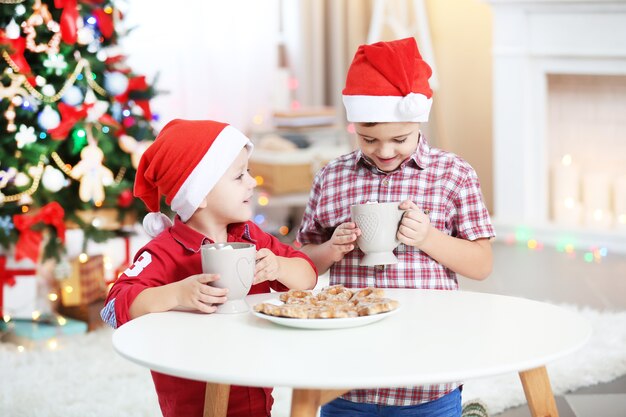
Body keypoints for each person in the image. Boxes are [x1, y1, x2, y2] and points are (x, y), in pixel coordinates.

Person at [297, 37, 495, 417]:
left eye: (399, 139)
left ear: (419, 121)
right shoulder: (332, 176)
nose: (385, 152)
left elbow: (482, 265)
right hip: (346, 380)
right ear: (353, 126)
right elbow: (303, 264)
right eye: (369, 139)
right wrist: (331, 249)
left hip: (427, 379)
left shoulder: (453, 175)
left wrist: (429, 238)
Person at [101, 119, 317, 417]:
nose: (252, 182)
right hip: (196, 405)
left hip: (256, 394)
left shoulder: (250, 236)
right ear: (198, 193)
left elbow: (307, 276)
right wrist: (177, 294)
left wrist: (278, 266)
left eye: (249, 172)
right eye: (239, 176)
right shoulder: (164, 251)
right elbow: (114, 305)